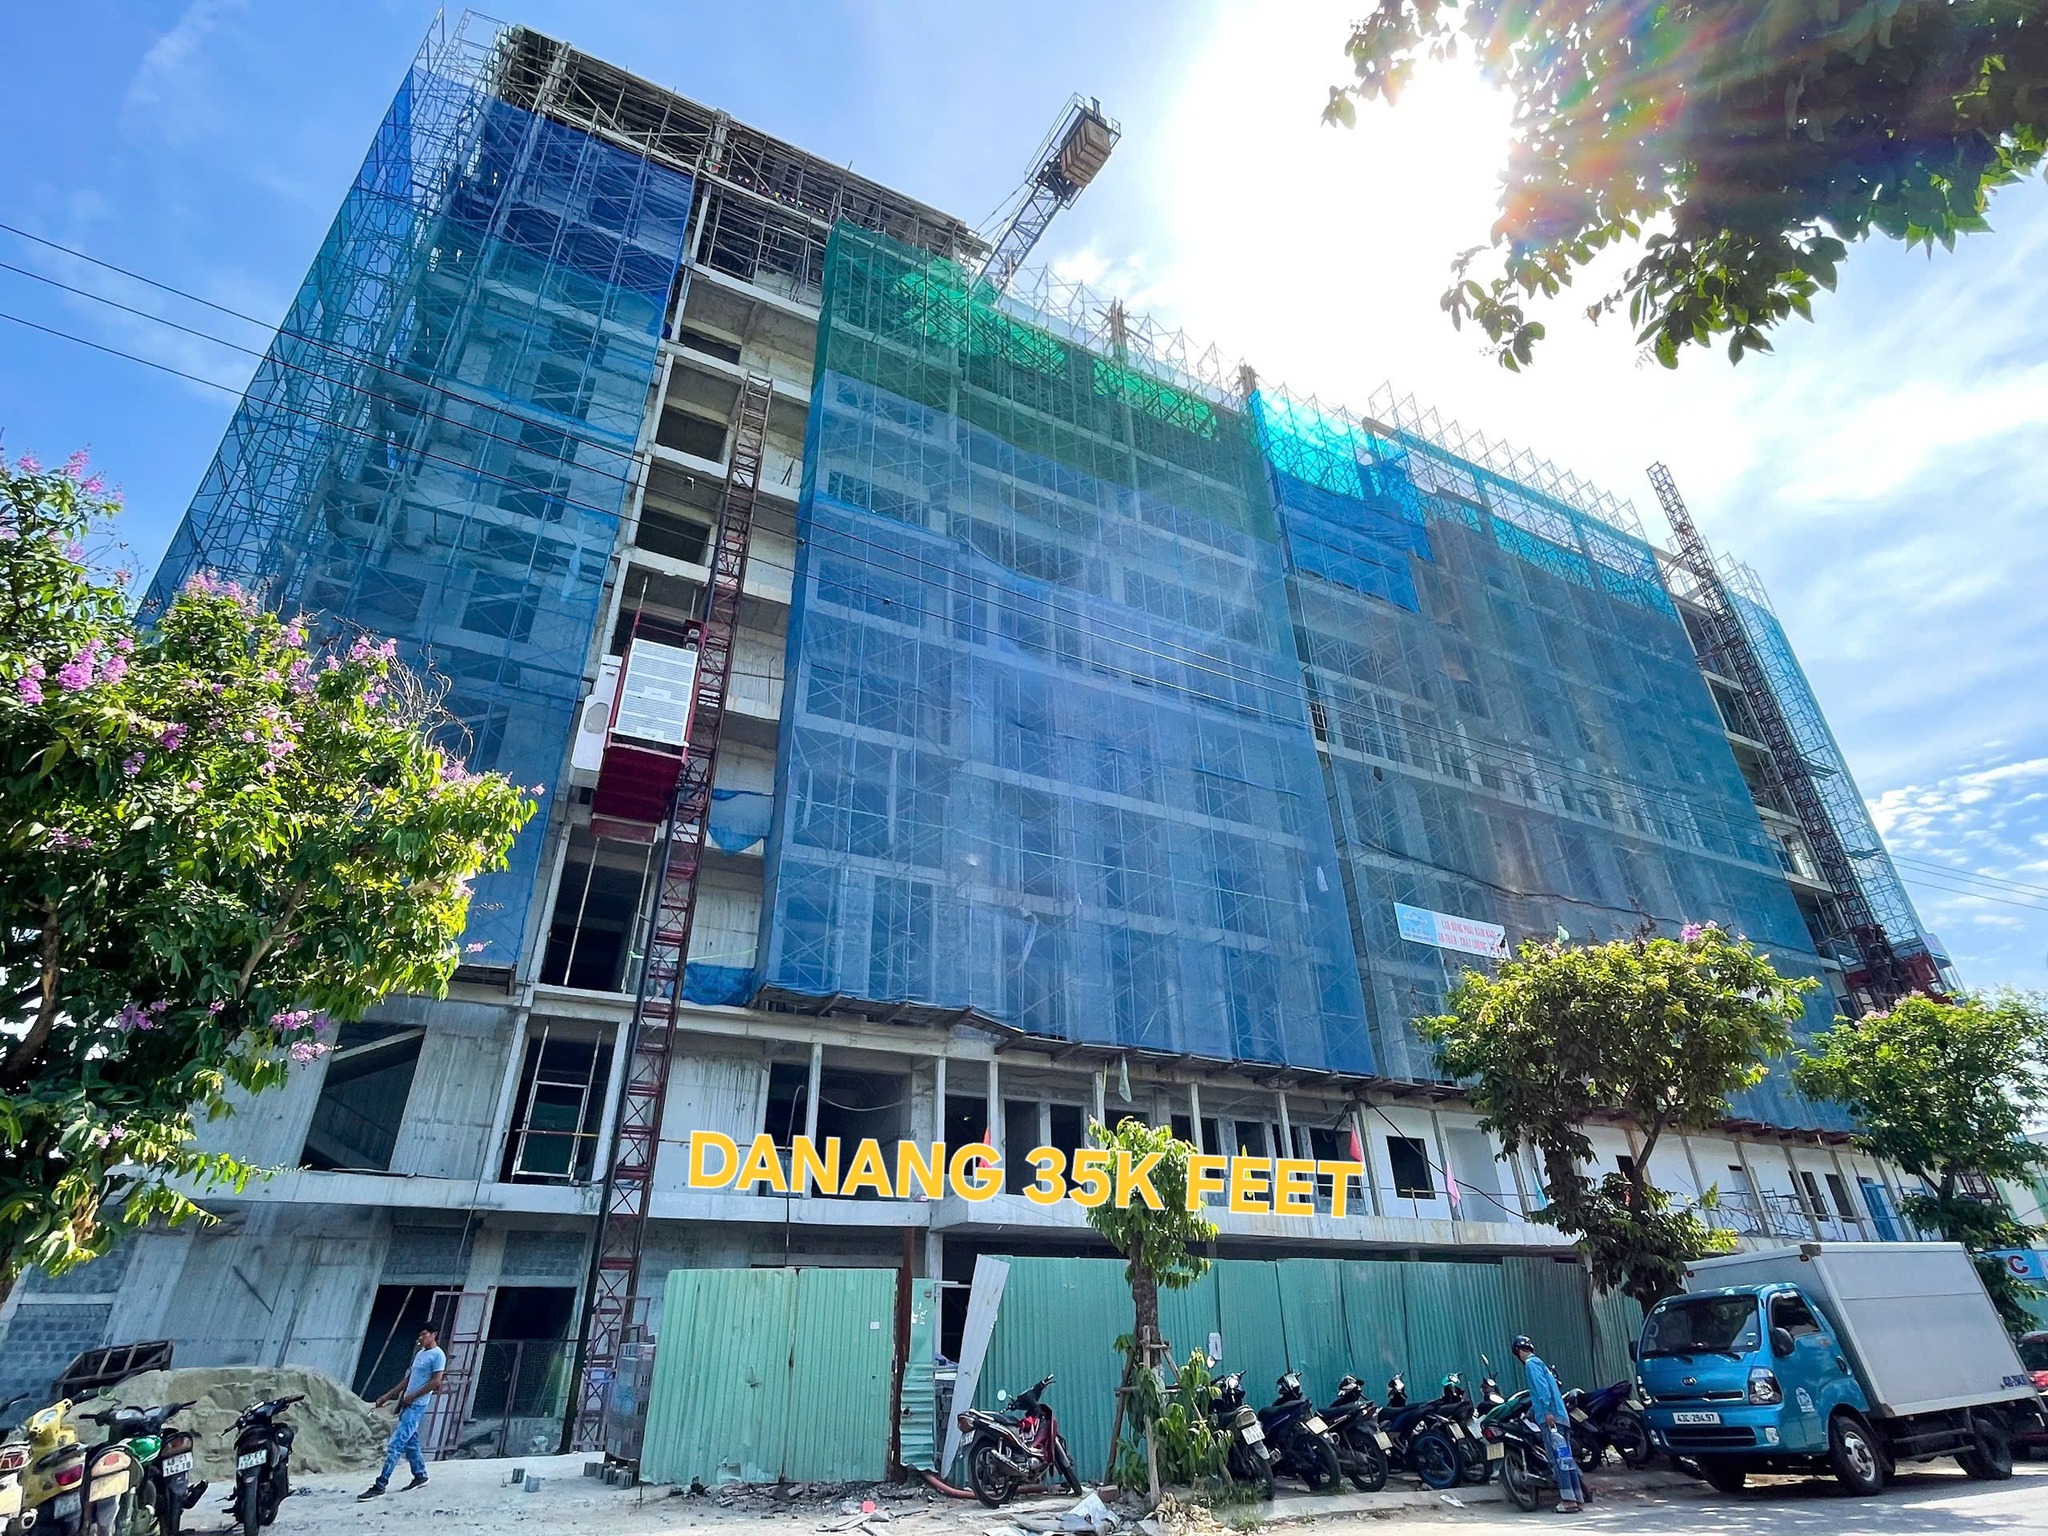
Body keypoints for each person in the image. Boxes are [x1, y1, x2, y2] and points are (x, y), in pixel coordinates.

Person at [359, 1326, 447, 1500]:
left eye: (424, 1334)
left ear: (434, 1335)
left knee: (395, 1444)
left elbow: (436, 1381)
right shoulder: (420, 1354)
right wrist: (389, 1395)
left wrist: (413, 1396)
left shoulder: (438, 1355)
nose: (421, 1337)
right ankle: (420, 1475)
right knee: (410, 1442)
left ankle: (380, 1484)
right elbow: (409, 1379)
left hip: (417, 1405)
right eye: (420, 1334)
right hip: (408, 1403)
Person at [1512, 1334, 1585, 1514]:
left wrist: (1546, 1412)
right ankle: (1576, 1497)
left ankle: (1568, 1501)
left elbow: (1541, 1390)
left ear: (1518, 1351)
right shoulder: (1541, 1364)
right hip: (1562, 1417)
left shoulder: (1531, 1365)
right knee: (1566, 1458)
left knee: (1557, 1460)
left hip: (1551, 1419)